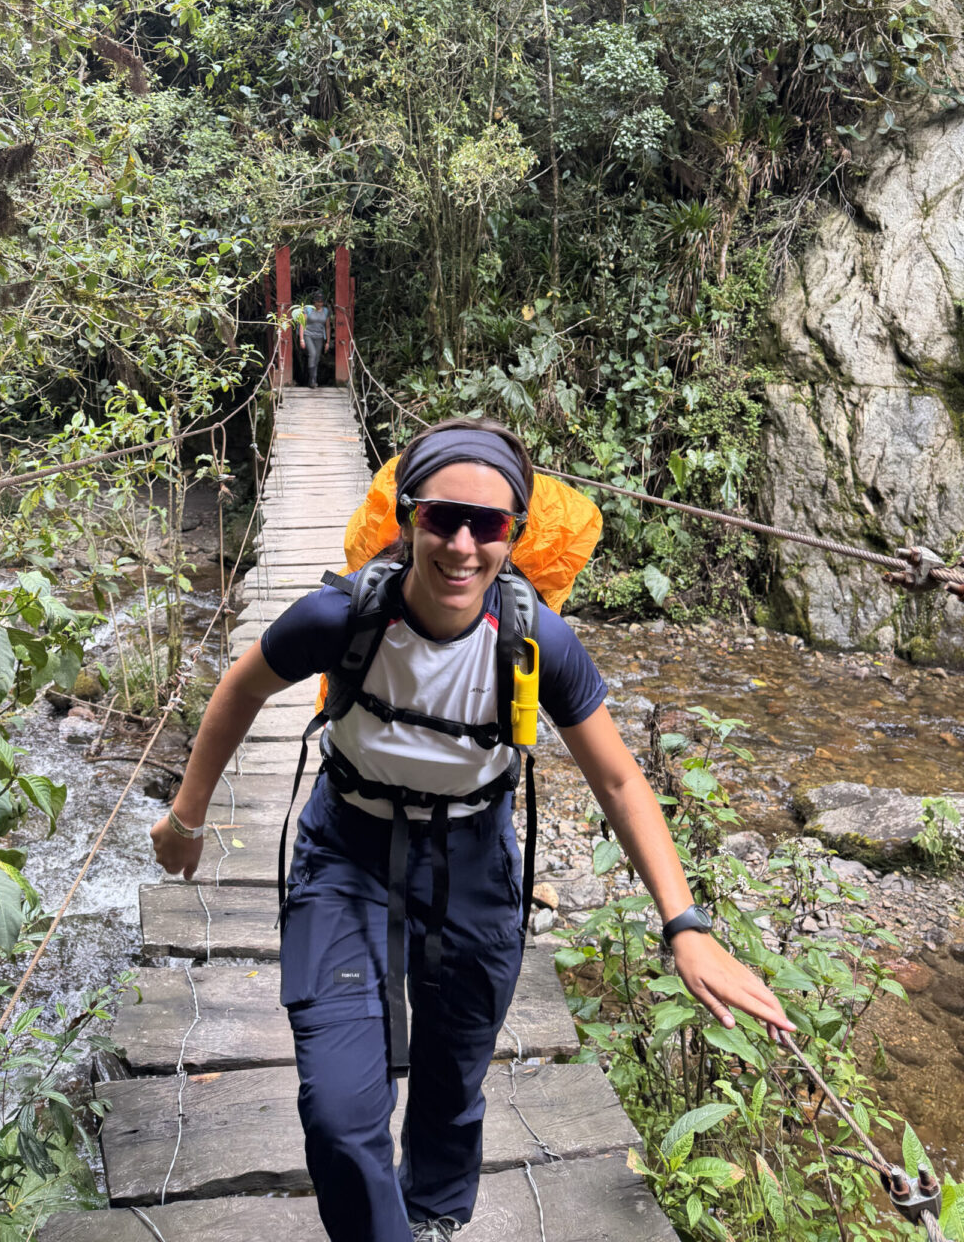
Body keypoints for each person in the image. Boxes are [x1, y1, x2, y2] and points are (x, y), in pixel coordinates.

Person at [150, 418, 792, 1242]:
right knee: (339, 1112)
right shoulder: (341, 616)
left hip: (475, 862)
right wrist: (186, 817)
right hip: (347, 853)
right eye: (441, 518)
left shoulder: (534, 638)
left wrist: (686, 927)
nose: (462, 545)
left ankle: (434, 1216)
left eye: (487, 524)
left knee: (453, 1080)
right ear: (407, 520)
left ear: (513, 533)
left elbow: (619, 779)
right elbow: (243, 688)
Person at [298, 289, 331, 387]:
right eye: (317, 301)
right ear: (314, 301)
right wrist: (301, 339)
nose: (319, 304)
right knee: (312, 354)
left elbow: (327, 327)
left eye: (321, 302)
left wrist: (328, 342)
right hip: (308, 335)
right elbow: (302, 324)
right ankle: (312, 379)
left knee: (317, 357)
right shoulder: (308, 309)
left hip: (319, 336)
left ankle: (312, 379)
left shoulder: (326, 311)